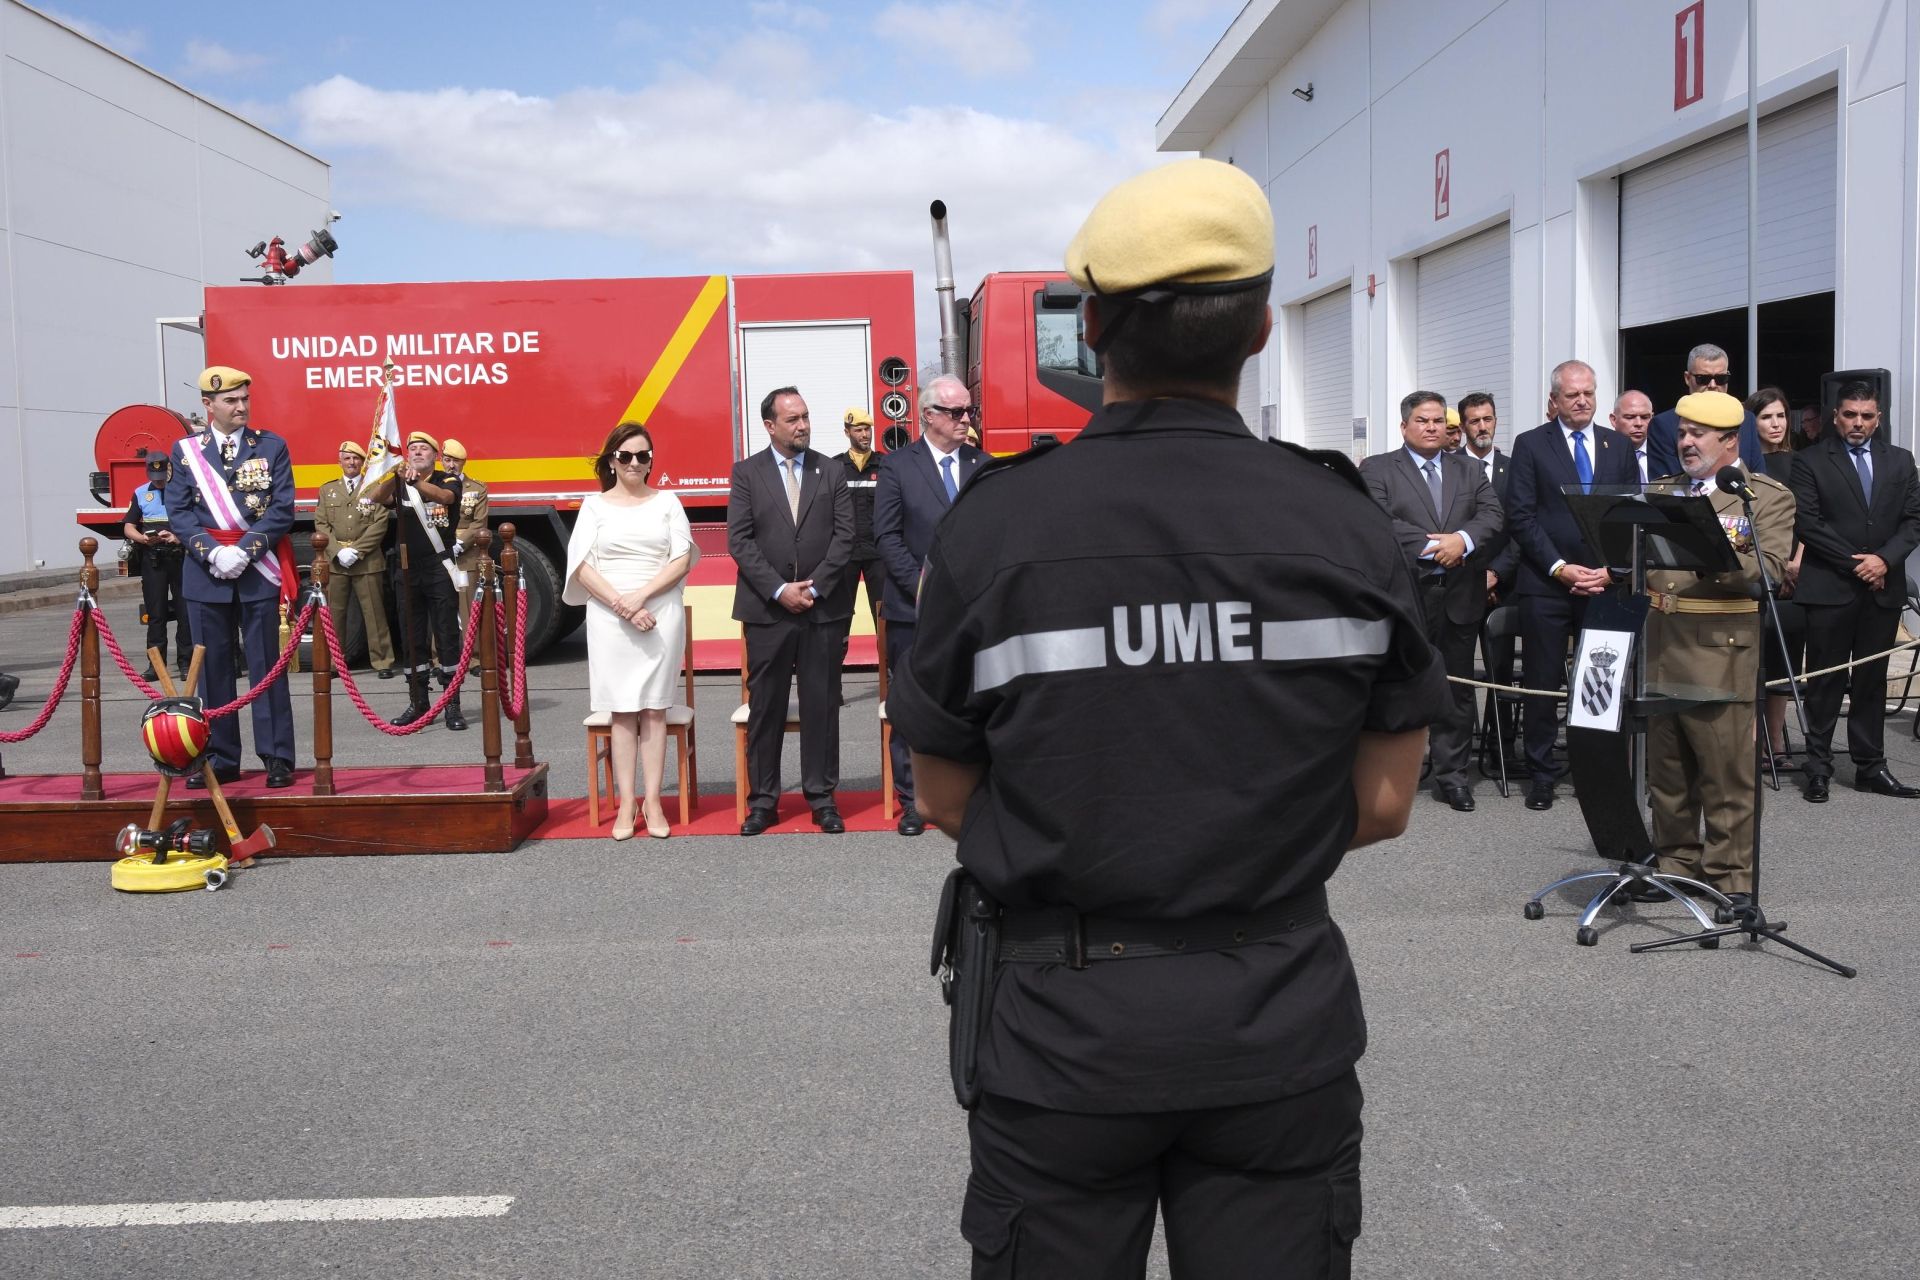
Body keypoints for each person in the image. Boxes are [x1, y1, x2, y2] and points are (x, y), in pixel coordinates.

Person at [889, 157, 1449, 1280]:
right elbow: (1386, 802)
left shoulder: (997, 529)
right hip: (1277, 1018)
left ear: (1090, 326)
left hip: (1061, 1034)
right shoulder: (1344, 526)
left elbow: (944, 790)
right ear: (1256, 332)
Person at [1504, 359, 1639, 808]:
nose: (1581, 400)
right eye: (1572, 394)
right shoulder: (1530, 445)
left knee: (1598, 683)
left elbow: (1630, 512)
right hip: (1547, 586)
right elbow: (1521, 516)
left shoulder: (1617, 445)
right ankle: (1542, 772)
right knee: (1543, 680)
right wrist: (1560, 567)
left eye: (1588, 393)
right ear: (1554, 400)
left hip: (1602, 584)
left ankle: (1594, 770)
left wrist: (1612, 570)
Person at [1360, 391, 1504, 811]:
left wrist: (1462, 541)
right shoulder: (1379, 469)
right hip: (1406, 594)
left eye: (1439, 421)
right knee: (1398, 685)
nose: (1431, 427)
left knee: (1456, 689)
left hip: (1460, 592)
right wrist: (1434, 547)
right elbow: (1376, 519)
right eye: (1422, 421)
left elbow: (1493, 515)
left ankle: (1452, 776)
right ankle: (1389, 773)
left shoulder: (1470, 470)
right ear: (1404, 426)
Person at [727, 386, 855, 835]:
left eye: (805, 416)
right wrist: (780, 590)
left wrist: (814, 589)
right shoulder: (747, 473)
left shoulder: (831, 469)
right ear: (769, 425)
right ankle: (762, 802)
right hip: (769, 611)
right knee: (767, 708)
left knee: (822, 705)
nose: (802, 425)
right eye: (792, 419)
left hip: (823, 610)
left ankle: (822, 798)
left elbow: (845, 537)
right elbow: (739, 541)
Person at [163, 366, 297, 788]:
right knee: (213, 670)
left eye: (245, 399)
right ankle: (220, 758)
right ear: (209, 405)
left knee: (266, 668)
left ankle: (277, 756)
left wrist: (244, 552)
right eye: (231, 401)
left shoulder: (271, 446)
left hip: (256, 570)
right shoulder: (185, 452)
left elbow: (282, 509)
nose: (241, 407)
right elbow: (179, 512)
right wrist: (214, 553)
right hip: (207, 574)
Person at [565, 422, 698, 840]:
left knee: (655, 709)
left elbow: (680, 559)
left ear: (651, 460)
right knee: (622, 711)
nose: (634, 463)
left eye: (643, 455)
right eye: (625, 456)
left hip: (659, 610)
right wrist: (624, 605)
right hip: (609, 616)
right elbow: (582, 566)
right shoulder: (594, 506)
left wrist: (640, 597)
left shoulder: (669, 502)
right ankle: (626, 803)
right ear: (611, 460)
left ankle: (654, 801)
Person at [1788, 380, 1920, 801]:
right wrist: (1860, 565)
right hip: (1830, 587)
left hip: (1882, 588)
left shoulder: (1901, 461)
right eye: (1850, 415)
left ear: (1878, 418)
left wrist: (1884, 560)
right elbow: (1808, 523)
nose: (1858, 423)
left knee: (1871, 680)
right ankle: (1819, 768)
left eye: (1866, 416)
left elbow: (1914, 520)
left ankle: (1870, 767)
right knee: (1826, 681)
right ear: (1835, 416)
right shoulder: (1809, 461)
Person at [872, 373, 986, 835]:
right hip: (913, 610)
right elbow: (887, 536)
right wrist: (923, 587)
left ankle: (976, 793)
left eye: (968, 411)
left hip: (973, 612)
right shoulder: (899, 466)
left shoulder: (984, 464)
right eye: (956, 412)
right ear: (929, 416)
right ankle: (912, 800)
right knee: (913, 705)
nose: (965, 420)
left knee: (975, 701)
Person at [369, 430, 467, 731]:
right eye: (412, 449)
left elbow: (446, 499)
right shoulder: (400, 481)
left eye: (424, 449)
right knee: (412, 637)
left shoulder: (445, 479)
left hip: (438, 567)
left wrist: (415, 483)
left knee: (447, 634)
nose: (417, 453)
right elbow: (374, 498)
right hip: (407, 568)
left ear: (435, 456)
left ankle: (452, 704)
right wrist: (393, 476)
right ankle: (419, 701)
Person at [1747, 388, 1806, 764]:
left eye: (1781, 416)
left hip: (1796, 571)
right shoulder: (1746, 466)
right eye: (1767, 416)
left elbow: (1810, 519)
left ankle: (1777, 741)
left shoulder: (1801, 463)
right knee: (1752, 657)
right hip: (1757, 569)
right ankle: (1751, 740)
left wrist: (1796, 562)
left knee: (1785, 657)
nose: (1775, 423)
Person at [313, 441, 396, 680]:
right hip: (337, 561)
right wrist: (338, 551)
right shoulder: (327, 490)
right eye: (347, 458)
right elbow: (322, 524)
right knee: (335, 614)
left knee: (374, 613)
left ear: (363, 463)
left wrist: (357, 551)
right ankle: (334, 664)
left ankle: (383, 661)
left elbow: (380, 523)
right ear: (339, 461)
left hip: (367, 561)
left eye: (356, 459)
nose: (351, 463)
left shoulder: (374, 488)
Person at [122, 454, 192, 680]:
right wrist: (142, 539)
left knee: (185, 613)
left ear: (170, 470)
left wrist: (177, 537)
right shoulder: (141, 492)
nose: (159, 481)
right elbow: (129, 526)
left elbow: (195, 523)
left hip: (179, 557)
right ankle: (156, 665)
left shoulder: (183, 490)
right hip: (153, 558)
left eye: (162, 476)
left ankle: (186, 662)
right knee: (156, 613)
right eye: (155, 477)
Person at [1644, 344, 1765, 475]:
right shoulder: (1664, 425)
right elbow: (1670, 486)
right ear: (1687, 378)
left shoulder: (1746, 419)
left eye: (1721, 379)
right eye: (1703, 379)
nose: (1712, 385)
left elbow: (1757, 478)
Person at [1457, 392, 1514, 602]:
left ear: (1495, 422)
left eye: (1487, 419)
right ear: (1462, 427)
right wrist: (1473, 580)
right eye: (1474, 421)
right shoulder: (1445, 467)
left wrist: (1496, 573)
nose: (1482, 427)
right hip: (1459, 585)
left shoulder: (1515, 468)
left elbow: (1522, 526)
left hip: (1504, 587)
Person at [832, 409, 886, 629]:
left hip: (878, 554)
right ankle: (835, 662)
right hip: (845, 554)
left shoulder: (886, 465)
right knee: (839, 614)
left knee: (884, 614)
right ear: (847, 432)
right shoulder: (834, 468)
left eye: (867, 429)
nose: (865, 435)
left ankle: (887, 662)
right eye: (859, 430)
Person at [442, 437, 491, 637]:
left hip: (465, 554)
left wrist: (460, 544)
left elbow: (479, 523)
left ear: (463, 462)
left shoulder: (476, 489)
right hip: (440, 554)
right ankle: (439, 661)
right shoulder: (432, 486)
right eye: (447, 460)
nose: (451, 465)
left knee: (469, 609)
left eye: (456, 461)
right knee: (440, 609)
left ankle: (475, 659)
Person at [1610, 390, 1654, 485]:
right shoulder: (1601, 454)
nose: (1638, 423)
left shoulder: (1664, 453)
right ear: (1613, 420)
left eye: (1645, 417)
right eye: (1630, 417)